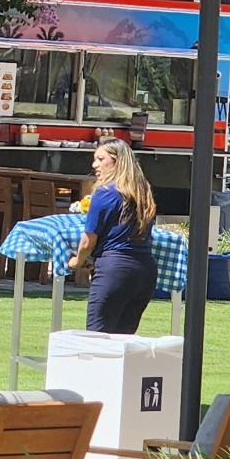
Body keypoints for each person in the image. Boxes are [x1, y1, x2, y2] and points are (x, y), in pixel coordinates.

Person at [66, 137, 158, 334]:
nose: (95, 165)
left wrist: (77, 261)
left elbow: (88, 241)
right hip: (145, 272)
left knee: (98, 339)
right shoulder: (143, 193)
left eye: (100, 159)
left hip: (115, 270)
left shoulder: (106, 193)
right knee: (123, 343)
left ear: (117, 162)